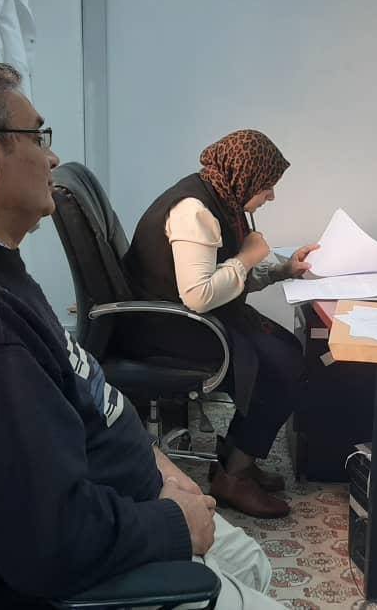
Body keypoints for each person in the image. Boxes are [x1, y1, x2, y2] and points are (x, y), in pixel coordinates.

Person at [0, 55, 281, 609]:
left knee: (254, 563)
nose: (52, 157)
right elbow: (46, 543)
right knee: (252, 583)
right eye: (37, 136)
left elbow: (81, 390)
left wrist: (157, 464)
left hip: (128, 489)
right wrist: (172, 522)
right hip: (86, 561)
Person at [121, 129, 317, 519]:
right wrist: (247, 257)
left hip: (197, 319)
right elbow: (199, 294)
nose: (271, 196)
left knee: (289, 352)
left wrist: (282, 270)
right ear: (244, 177)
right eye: (267, 186)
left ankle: (234, 456)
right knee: (280, 367)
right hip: (171, 329)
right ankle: (234, 477)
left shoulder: (222, 199)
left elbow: (224, 277)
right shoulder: (193, 212)